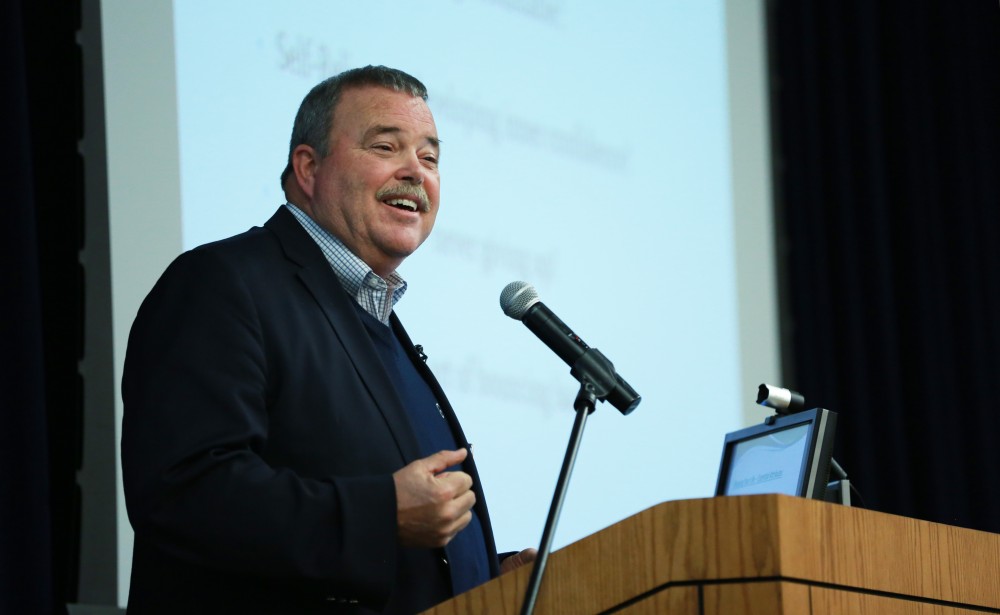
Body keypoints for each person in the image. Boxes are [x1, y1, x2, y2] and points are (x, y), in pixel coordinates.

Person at [121, 65, 534, 614]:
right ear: (308, 167)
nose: (416, 171)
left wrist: (482, 575)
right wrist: (379, 514)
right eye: (387, 146)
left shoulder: (377, 319)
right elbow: (183, 491)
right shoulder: (223, 284)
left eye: (431, 158)